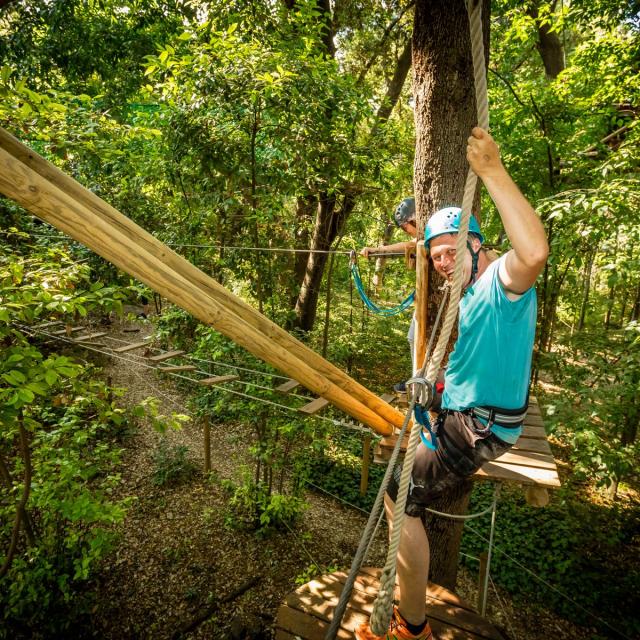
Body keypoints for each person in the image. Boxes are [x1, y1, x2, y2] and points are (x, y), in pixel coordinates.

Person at [355, 126, 549, 640]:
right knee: (404, 480)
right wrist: (435, 390)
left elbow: (532, 254)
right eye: (435, 253)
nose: (442, 261)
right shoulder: (468, 294)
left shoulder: (500, 284)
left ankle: (411, 623)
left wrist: (492, 172)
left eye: (450, 251)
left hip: (480, 427)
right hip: (464, 411)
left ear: (477, 246)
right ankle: (409, 611)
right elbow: (473, 367)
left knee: (402, 496)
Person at [360, 197, 419, 385]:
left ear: (413, 220)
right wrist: (378, 250)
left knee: (415, 338)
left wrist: (379, 250)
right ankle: (417, 380)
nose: (406, 232)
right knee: (413, 338)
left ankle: (419, 381)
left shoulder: (433, 235)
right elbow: (409, 245)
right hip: (424, 299)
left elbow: (410, 245)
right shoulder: (423, 238)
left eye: (404, 227)